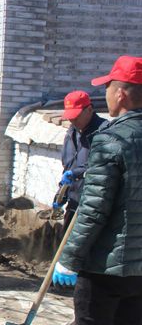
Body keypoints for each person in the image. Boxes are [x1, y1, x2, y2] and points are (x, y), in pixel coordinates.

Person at [36, 55, 142, 325]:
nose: (106, 96)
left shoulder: (111, 139)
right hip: (139, 268)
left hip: (105, 264)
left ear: (122, 94)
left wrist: (70, 257)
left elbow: (93, 209)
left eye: (109, 88)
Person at [56, 90, 108, 237]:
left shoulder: (104, 132)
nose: (73, 121)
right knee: (65, 243)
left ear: (89, 109)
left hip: (92, 204)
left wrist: (76, 173)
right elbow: (68, 167)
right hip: (73, 201)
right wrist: (61, 192)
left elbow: (101, 166)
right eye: (70, 117)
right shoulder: (72, 132)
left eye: (76, 116)